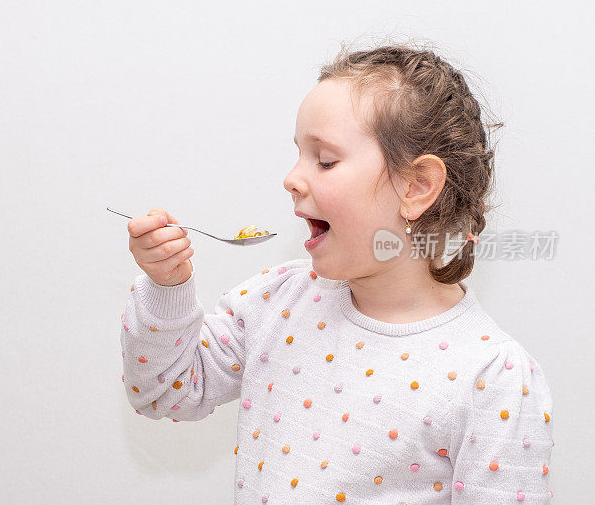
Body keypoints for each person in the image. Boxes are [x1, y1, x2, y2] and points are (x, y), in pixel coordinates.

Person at [119, 43, 554, 504]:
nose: (291, 177)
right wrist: (168, 287)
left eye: (325, 160)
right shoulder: (277, 301)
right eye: (298, 155)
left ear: (417, 186)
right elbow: (163, 392)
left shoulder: (493, 376)